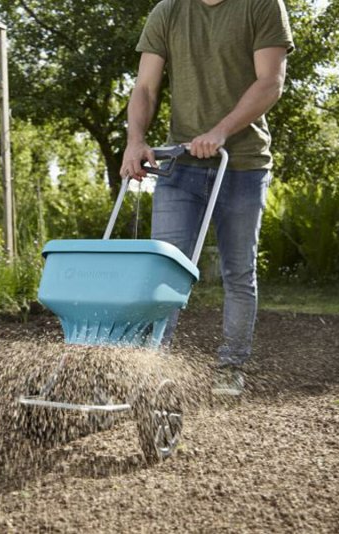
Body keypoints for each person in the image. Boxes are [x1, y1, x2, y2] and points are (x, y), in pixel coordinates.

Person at [120, 0, 294, 396]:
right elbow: (145, 87)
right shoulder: (168, 11)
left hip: (243, 164)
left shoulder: (262, 5)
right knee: (164, 272)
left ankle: (230, 367)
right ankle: (148, 372)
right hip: (180, 166)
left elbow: (270, 82)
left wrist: (220, 131)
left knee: (237, 272)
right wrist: (136, 141)